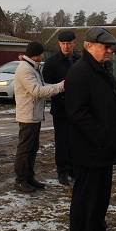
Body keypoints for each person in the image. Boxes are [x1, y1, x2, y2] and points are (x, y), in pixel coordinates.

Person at [65, 26, 116, 231]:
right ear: (90, 46)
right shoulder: (79, 72)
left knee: (100, 200)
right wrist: (101, 138)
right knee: (85, 201)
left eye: (111, 48)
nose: (110, 51)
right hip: (89, 152)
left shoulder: (102, 69)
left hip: (103, 151)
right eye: (106, 47)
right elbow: (77, 113)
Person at [13, 41, 64, 193]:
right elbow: (37, 91)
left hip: (33, 114)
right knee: (25, 149)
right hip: (27, 115)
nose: (42, 56)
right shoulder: (25, 69)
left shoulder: (32, 67)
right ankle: (20, 180)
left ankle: (29, 177)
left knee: (32, 148)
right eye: (41, 54)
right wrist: (60, 87)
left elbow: (41, 85)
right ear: (35, 55)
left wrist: (56, 85)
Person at [42, 30, 80, 186]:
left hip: (78, 108)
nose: (66, 47)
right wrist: (61, 90)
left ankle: (74, 169)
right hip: (61, 108)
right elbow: (46, 85)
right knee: (62, 142)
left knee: (75, 141)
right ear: (59, 44)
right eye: (63, 44)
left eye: (68, 44)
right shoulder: (52, 62)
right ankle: (62, 171)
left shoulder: (80, 60)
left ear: (74, 43)